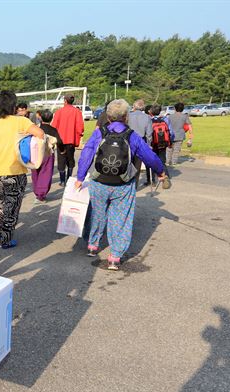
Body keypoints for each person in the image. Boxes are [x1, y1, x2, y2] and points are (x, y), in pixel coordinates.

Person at [75, 99, 167, 270]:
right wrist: (160, 172)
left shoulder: (99, 133)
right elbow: (150, 156)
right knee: (121, 218)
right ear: (126, 117)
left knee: (97, 212)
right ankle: (115, 256)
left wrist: (80, 177)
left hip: (98, 181)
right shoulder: (132, 136)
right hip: (123, 184)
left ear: (108, 117)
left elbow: (86, 154)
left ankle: (93, 246)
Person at [0, 90, 45, 249]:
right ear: (14, 106)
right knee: (12, 206)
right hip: (15, 173)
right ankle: (6, 239)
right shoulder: (21, 122)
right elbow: (40, 134)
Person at [51, 94, 84, 186]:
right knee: (70, 159)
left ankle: (62, 181)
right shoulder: (77, 112)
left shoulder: (59, 112)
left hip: (60, 141)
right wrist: (79, 135)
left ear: (65, 101)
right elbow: (80, 127)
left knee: (61, 160)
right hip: (71, 140)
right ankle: (69, 179)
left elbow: (54, 126)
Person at [31, 109, 61, 204]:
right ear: (52, 119)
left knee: (35, 172)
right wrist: (62, 150)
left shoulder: (37, 128)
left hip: (35, 153)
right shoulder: (53, 130)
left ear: (40, 117)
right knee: (45, 174)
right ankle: (41, 195)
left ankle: (37, 192)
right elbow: (59, 141)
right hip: (48, 154)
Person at [127, 99, 153, 186]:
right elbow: (149, 133)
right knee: (137, 165)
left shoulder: (128, 116)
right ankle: (135, 185)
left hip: (129, 140)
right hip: (140, 141)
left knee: (128, 162)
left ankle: (127, 183)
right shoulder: (147, 117)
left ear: (134, 106)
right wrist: (149, 145)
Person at [149, 104, 174, 188]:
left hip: (153, 143)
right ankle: (166, 178)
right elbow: (171, 132)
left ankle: (153, 181)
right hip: (163, 143)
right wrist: (170, 142)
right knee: (162, 161)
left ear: (151, 112)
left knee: (152, 161)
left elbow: (148, 133)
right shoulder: (165, 119)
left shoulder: (149, 120)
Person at [167, 102, 193, 166]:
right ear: (183, 109)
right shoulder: (185, 116)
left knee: (169, 149)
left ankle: (167, 162)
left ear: (175, 109)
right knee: (176, 150)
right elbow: (189, 126)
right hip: (180, 135)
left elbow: (166, 125)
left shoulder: (170, 116)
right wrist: (190, 137)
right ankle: (174, 162)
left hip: (170, 135)